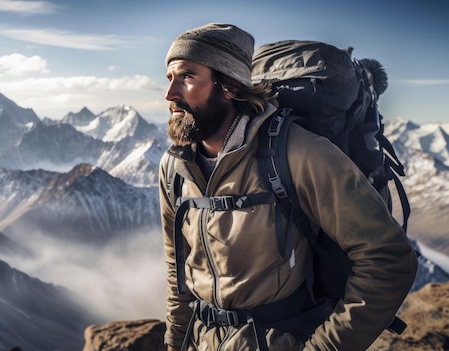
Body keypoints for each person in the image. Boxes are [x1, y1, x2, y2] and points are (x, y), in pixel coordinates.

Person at [158, 23, 418, 351]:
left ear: (229, 85)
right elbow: (177, 264)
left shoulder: (296, 152)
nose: (170, 94)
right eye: (169, 78)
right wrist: (174, 340)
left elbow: (389, 258)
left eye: (187, 77)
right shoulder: (174, 167)